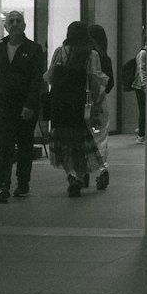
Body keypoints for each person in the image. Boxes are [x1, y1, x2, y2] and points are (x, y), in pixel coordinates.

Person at [0, 9, 46, 203]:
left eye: (18, 21)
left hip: (25, 107)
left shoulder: (34, 50)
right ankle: (2, 185)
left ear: (24, 25)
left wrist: (30, 105)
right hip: (3, 106)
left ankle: (23, 183)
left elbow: (36, 79)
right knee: (5, 145)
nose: (14, 24)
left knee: (24, 146)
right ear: (5, 26)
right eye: (10, 21)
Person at [44, 21, 106, 197]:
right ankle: (79, 175)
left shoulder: (59, 52)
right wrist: (98, 104)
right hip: (78, 102)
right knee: (79, 141)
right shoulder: (90, 54)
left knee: (62, 141)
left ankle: (71, 173)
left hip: (59, 102)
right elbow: (95, 81)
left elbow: (50, 77)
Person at [87, 23, 115, 190]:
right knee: (101, 138)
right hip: (99, 102)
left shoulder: (83, 55)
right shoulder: (104, 58)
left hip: (81, 104)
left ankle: (82, 172)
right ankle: (103, 168)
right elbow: (110, 84)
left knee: (83, 138)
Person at [132, 40, 147, 141]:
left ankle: (142, 132)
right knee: (143, 110)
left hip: (140, 85)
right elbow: (142, 69)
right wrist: (145, 85)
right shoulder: (144, 53)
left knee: (143, 110)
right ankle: (141, 134)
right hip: (141, 86)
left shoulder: (144, 52)